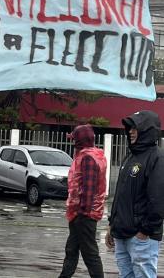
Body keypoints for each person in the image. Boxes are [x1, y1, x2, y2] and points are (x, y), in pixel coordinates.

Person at [105, 110, 164, 278]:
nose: (130, 131)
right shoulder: (129, 157)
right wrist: (112, 224)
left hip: (141, 238)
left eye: (134, 127)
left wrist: (145, 231)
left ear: (146, 130)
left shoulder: (157, 158)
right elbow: (120, 195)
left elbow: (158, 200)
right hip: (121, 234)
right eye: (129, 127)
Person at [59, 124, 106, 278]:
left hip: (84, 214)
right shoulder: (86, 156)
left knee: (90, 254)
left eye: (74, 140)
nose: (72, 143)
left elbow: (89, 189)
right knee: (71, 250)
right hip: (78, 213)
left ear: (79, 141)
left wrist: (82, 213)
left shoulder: (88, 158)